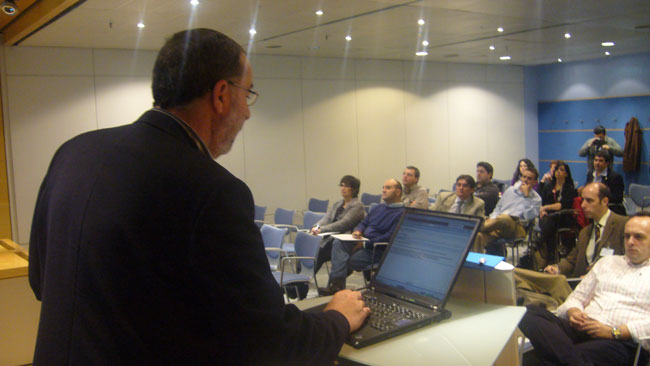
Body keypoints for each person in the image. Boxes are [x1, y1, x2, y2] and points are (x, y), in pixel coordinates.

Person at [28, 29, 370, 365]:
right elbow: (267, 344)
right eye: (247, 94)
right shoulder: (212, 190)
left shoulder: (74, 152)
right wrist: (336, 318)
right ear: (221, 95)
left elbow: (41, 282)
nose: (248, 112)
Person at [518, 212, 650, 366]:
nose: (630, 242)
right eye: (627, 236)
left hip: (621, 341)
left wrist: (614, 331)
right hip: (582, 328)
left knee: (553, 356)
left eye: (638, 237)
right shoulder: (607, 263)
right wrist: (573, 311)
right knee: (528, 312)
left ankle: (561, 358)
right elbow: (576, 298)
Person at [514, 183, 627, 308]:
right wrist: (557, 268)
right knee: (526, 280)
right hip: (578, 287)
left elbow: (631, 265)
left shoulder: (623, 226)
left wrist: (597, 276)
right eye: (583, 200)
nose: (583, 205)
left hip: (605, 290)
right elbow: (571, 260)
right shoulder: (585, 232)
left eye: (589, 201)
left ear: (604, 201)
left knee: (553, 286)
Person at [320, 179, 405, 295]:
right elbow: (364, 222)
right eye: (383, 187)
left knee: (346, 259)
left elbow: (389, 237)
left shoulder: (402, 213)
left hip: (376, 249)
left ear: (398, 192)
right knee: (337, 243)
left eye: (388, 188)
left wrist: (365, 244)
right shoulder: (378, 208)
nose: (383, 190)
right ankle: (336, 287)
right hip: (362, 240)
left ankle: (335, 288)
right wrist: (358, 231)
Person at [475, 167, 541, 253]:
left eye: (529, 178)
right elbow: (498, 208)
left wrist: (526, 197)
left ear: (535, 182)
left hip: (518, 227)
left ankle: (477, 227)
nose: (525, 180)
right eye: (524, 177)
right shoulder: (510, 190)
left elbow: (528, 217)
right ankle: (475, 264)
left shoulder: (536, 199)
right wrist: (492, 218)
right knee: (478, 236)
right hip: (498, 225)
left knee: (504, 218)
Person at [311, 175, 366, 274]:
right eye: (341, 185)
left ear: (354, 189)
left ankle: (308, 280)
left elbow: (343, 224)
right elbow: (327, 218)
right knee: (309, 247)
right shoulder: (338, 203)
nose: (343, 188)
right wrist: (316, 226)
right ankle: (301, 279)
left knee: (318, 252)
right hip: (330, 236)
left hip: (343, 240)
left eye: (346, 186)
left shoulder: (358, 206)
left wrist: (321, 230)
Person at [536, 161, 578, 266]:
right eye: (557, 169)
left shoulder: (569, 188)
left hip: (563, 216)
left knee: (548, 221)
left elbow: (562, 205)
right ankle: (546, 250)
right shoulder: (549, 186)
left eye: (561, 170)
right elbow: (541, 200)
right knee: (545, 219)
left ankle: (540, 242)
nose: (558, 172)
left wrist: (546, 207)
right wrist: (542, 209)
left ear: (566, 174)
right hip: (548, 216)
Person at [582, 151, 626, 215]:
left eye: (600, 161)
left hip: (609, 208)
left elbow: (618, 198)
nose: (597, 163)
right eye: (596, 160)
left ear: (607, 163)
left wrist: (599, 199)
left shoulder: (615, 177)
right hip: (592, 206)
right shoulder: (590, 174)